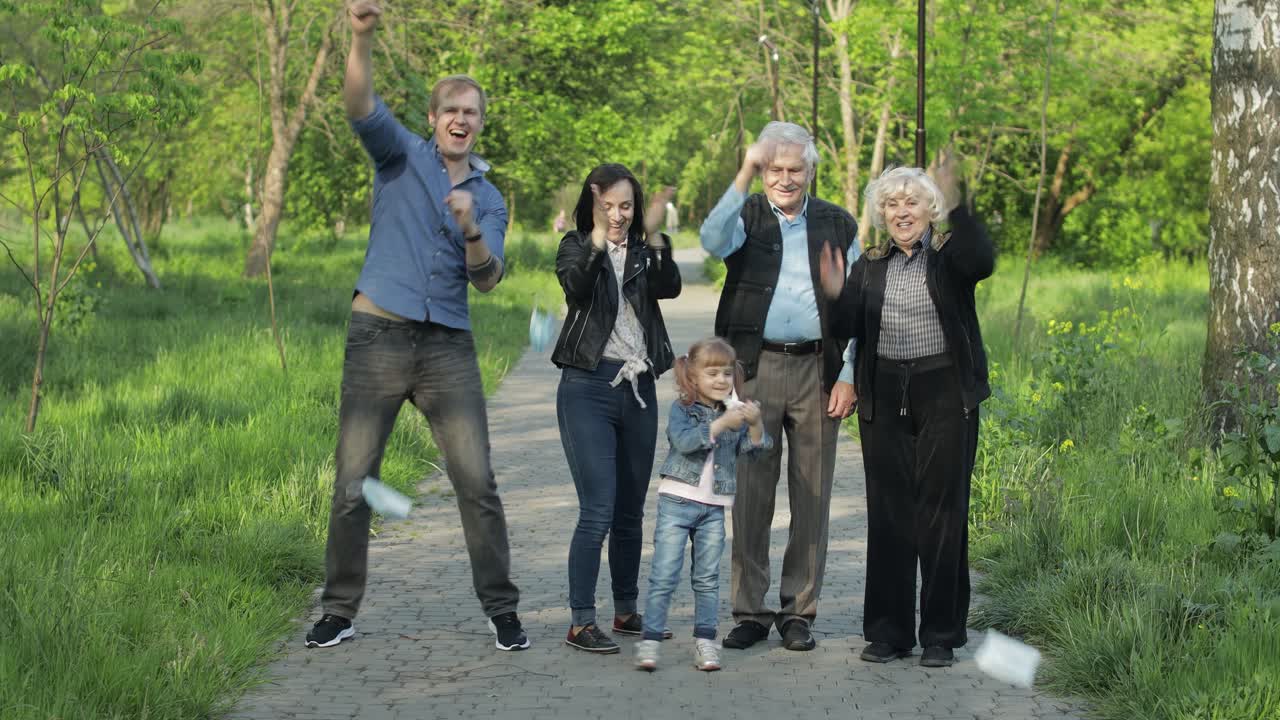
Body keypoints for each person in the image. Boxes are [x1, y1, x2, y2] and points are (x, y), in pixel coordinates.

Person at [306, 1, 528, 653]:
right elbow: (357, 104)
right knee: (354, 481)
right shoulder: (400, 156)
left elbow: (488, 279)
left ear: (481, 124)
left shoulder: (489, 196)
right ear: (433, 120)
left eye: (472, 112)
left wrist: (469, 228)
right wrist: (361, 37)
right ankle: (339, 608)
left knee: (477, 482)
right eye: (451, 110)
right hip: (377, 336)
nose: (461, 119)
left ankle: (502, 608)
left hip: (448, 348)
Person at [818, 156, 994, 668]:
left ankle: (940, 635)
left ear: (930, 208)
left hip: (945, 391)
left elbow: (981, 260)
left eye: (911, 202)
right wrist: (833, 291)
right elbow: (847, 324)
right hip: (886, 393)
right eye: (892, 204)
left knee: (941, 514)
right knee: (890, 513)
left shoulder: (948, 256)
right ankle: (889, 633)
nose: (901, 212)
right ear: (881, 213)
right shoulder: (870, 264)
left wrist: (960, 202)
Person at [700, 121, 859, 652]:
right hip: (753, 370)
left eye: (795, 169)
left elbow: (858, 306)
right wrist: (744, 169)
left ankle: (799, 613)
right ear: (763, 172)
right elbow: (710, 240)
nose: (785, 179)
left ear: (811, 171)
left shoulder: (838, 222)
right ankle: (750, 610)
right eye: (774, 169)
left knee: (811, 497)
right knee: (750, 492)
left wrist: (850, 374)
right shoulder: (745, 215)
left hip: (818, 371)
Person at [552, 164, 682, 653]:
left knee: (631, 511)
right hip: (587, 385)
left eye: (625, 205)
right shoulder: (575, 246)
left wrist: (659, 242)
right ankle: (580, 620)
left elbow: (669, 288)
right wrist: (597, 240)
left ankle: (625, 610)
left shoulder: (645, 252)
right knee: (598, 510)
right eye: (607, 205)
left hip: (638, 389)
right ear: (592, 206)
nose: (618, 215)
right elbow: (577, 287)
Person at [634, 337, 772, 673]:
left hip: (713, 509)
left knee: (708, 579)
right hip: (677, 503)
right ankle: (650, 641)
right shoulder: (682, 410)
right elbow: (683, 442)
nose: (721, 380)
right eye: (712, 373)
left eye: (726, 373)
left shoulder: (732, 413)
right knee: (664, 576)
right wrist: (720, 424)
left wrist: (755, 424)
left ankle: (705, 642)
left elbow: (755, 452)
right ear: (693, 378)